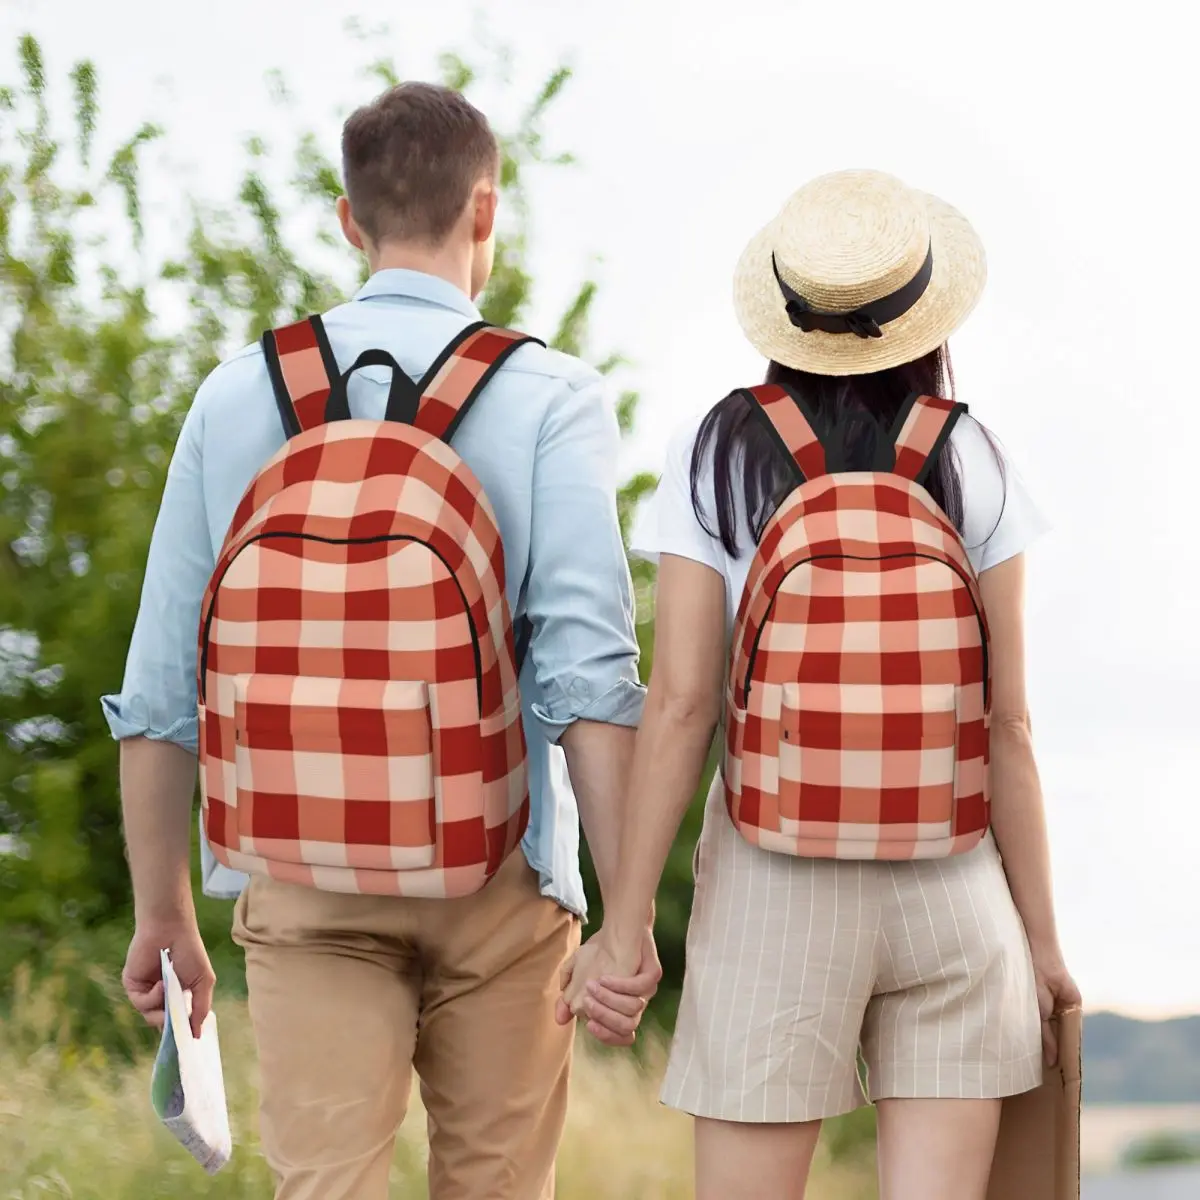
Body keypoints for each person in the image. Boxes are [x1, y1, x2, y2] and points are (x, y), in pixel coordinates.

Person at [104, 81, 660, 1200]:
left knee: (325, 1186)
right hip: (501, 873)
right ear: (486, 212)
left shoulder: (237, 394)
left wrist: (162, 911)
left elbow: (164, 683)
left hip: (301, 874)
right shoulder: (549, 395)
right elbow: (589, 680)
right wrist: (627, 916)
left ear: (349, 220)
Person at [561, 169, 1081, 1200]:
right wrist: (1044, 944)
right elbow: (1009, 725)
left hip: (773, 881)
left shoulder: (715, 452)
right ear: (923, 314)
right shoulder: (973, 455)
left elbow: (680, 707)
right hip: (954, 883)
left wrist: (624, 929)